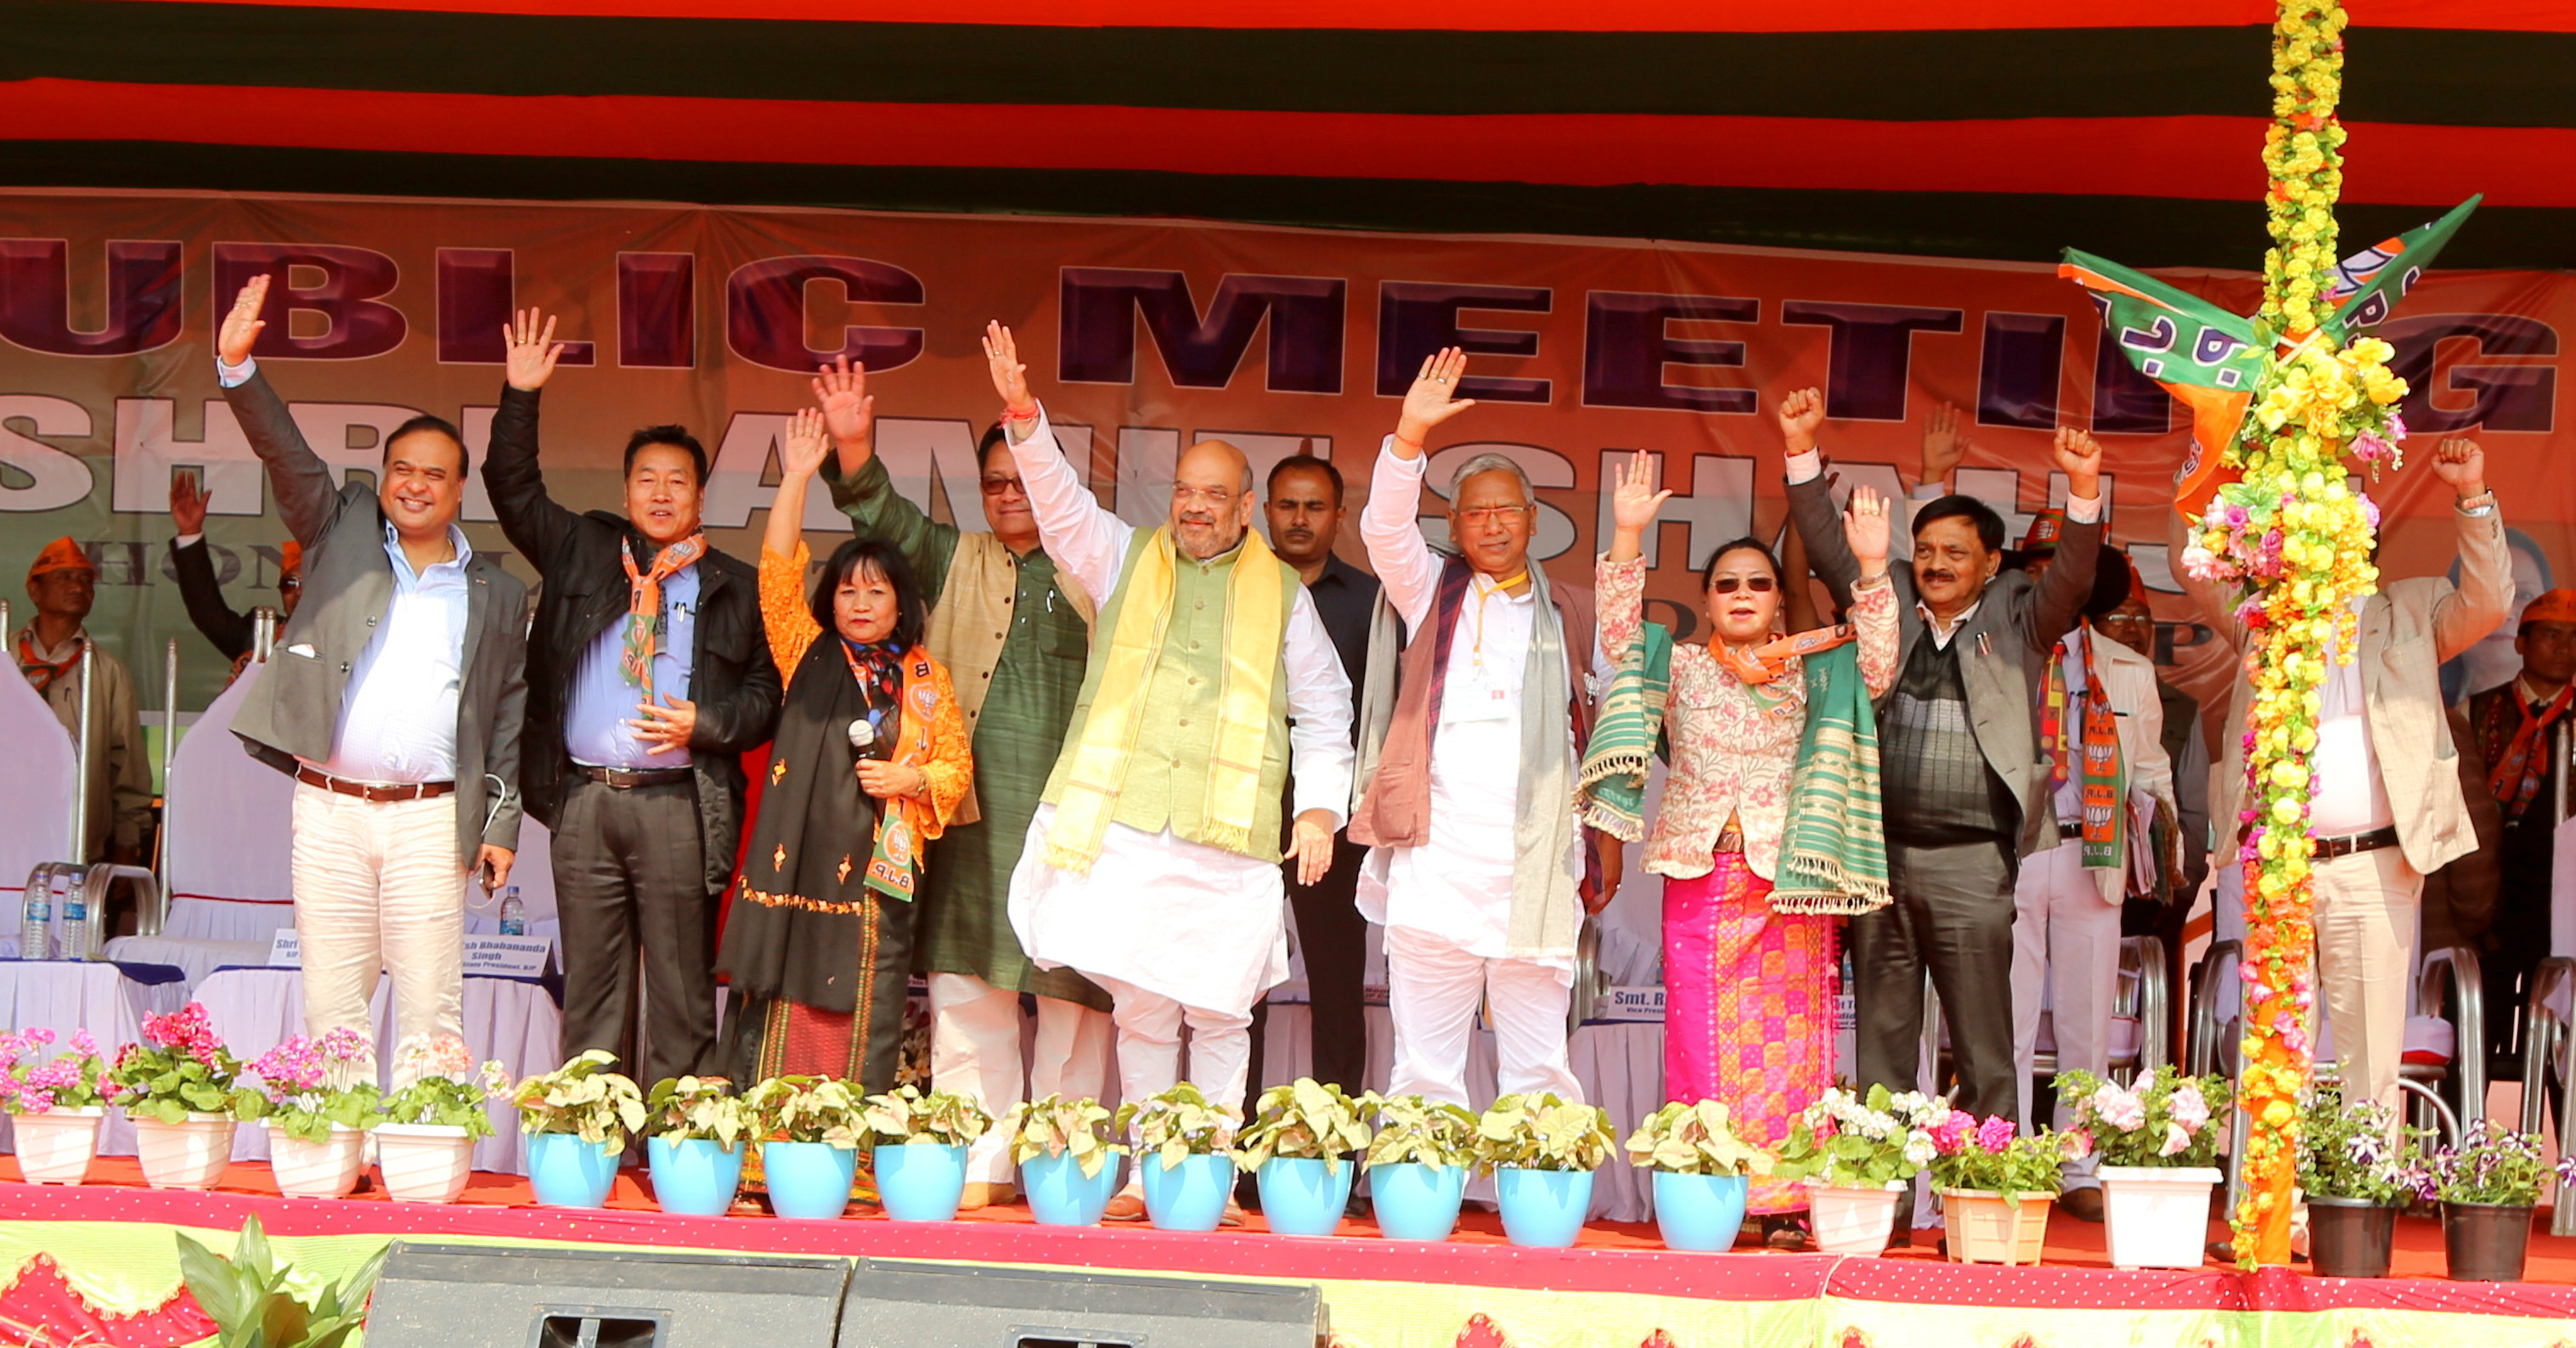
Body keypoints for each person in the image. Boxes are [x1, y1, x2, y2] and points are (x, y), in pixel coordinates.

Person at [987, 323, 1354, 1223]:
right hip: (1126, 824)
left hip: (1227, 839)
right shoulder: (1122, 556)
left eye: (1214, 495)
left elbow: (1326, 708)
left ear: (1243, 507)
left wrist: (1317, 813)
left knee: (1222, 1012)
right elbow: (1062, 504)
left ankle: (1210, 1175)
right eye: (1185, 491)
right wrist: (1025, 417)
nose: (1194, 507)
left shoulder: (1287, 596)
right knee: (1145, 1011)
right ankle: (1155, 1173)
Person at [1781, 386, 2105, 1226]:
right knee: (1884, 1046)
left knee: (1985, 1047)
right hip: (1878, 858)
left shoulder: (2018, 616)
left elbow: (2073, 573)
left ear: (1989, 563)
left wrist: (2083, 490)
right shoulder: (1884, 600)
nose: (1934, 562)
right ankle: (1876, 1214)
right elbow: (1825, 546)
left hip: (1971, 864)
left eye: (1954, 551)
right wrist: (1801, 451)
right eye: (1924, 548)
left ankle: (1989, 1209)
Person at [811, 356, 1110, 1210]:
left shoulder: (1099, 569)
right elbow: (881, 512)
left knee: (1069, 1004)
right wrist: (854, 442)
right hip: (970, 818)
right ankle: (979, 1164)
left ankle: (1060, 1167)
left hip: (1070, 826)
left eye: (1025, 479)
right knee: (968, 993)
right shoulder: (954, 557)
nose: (1009, 493)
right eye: (994, 481)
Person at [214, 274, 528, 1086]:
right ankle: (333, 1157)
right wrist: (239, 368)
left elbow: (506, 714)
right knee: (333, 1000)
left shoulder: (494, 592)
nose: (413, 484)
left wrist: (501, 824)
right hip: (329, 809)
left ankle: (424, 1167)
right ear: (383, 476)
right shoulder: (340, 524)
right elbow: (285, 456)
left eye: (433, 474)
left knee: (430, 1005)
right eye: (401, 469)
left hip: (432, 818)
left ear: (460, 490)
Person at [1595, 452, 1900, 1246]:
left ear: (1776, 601)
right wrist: (1627, 536)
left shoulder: (1811, 670)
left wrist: (1871, 567)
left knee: (1792, 1040)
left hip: (1786, 878)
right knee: (1699, 1037)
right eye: (1726, 584)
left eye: (1757, 584)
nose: (1740, 595)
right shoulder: (1683, 667)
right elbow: (1620, 637)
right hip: (1700, 871)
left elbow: (1876, 664)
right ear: (1705, 599)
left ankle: (1783, 1204)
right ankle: (1706, 1194)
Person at [481, 309, 782, 1086]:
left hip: (679, 801)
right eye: (645, 478)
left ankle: (678, 1148)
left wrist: (705, 721)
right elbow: (511, 488)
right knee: (592, 986)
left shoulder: (734, 588)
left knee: (682, 991)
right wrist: (520, 395)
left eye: (676, 480)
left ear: (700, 495)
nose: (659, 492)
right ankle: (592, 1138)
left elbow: (766, 699)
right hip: (583, 798)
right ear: (624, 488)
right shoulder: (584, 547)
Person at [2172, 436, 2510, 1118]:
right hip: (2277, 866)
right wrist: (2198, 470)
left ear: (2363, 551)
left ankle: (2358, 1216)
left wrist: (2470, 495)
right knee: (2271, 1059)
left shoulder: (2408, 612)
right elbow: (2195, 567)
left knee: (2368, 1062)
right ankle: (2272, 1218)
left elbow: (2489, 601)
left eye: (2335, 532)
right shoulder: (2262, 621)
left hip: (2372, 866)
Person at [1350, 347, 1617, 1115]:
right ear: (1455, 525)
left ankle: (1535, 1215)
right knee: (1425, 1067)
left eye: (1508, 510)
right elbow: (1383, 525)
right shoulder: (1428, 586)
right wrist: (1408, 436)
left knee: (1538, 1067)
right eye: (1475, 510)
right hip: (1437, 863)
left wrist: (1605, 842)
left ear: (1535, 521)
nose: (1493, 523)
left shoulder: (1572, 611)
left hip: (1534, 871)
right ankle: (1423, 1210)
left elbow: (1614, 725)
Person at [716, 408, 972, 1093]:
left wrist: (908, 776)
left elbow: (955, 771)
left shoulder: (926, 677)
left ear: (900, 603)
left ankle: (849, 1160)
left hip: (877, 882)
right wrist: (797, 475)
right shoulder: (806, 653)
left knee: (863, 1010)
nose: (860, 602)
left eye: (877, 590)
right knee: (780, 1005)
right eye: (848, 589)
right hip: (794, 871)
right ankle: (760, 1153)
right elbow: (776, 572)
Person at [2006, 540, 2176, 1221]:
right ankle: (2007, 1156)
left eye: (2067, 578)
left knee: (2087, 1022)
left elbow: (2152, 763)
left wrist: (2163, 844)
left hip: (2093, 850)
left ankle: (2079, 1164)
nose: (2055, 588)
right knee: (2008, 1019)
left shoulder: (2128, 670)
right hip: (2012, 850)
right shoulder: (1999, 654)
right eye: (2042, 578)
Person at [1243, 453, 1380, 1111]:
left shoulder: (1372, 602)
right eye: (1287, 505)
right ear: (1264, 510)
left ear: (1339, 516)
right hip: (1239, 811)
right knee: (1240, 986)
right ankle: (1231, 1145)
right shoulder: (1234, 590)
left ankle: (1334, 1146)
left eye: (1314, 506)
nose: (1299, 519)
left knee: (1335, 983)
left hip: (1332, 822)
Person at [2094, 560, 2212, 1056]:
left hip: (2151, 894)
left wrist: (2175, 881)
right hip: (2080, 875)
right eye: (2120, 617)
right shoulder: (2062, 683)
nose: (2135, 629)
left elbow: (2191, 807)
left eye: (2142, 617)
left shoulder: (2181, 706)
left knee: (2150, 1023)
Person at [2460, 588, 2576, 1075]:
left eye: (2575, 638)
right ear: (2521, 643)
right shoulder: (2473, 710)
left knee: (2561, 1043)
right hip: (2486, 901)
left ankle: (2566, 1149)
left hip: (2563, 905)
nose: (2565, 647)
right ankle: (2457, 1147)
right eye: (2551, 635)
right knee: (2472, 1034)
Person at [16, 539, 152, 868]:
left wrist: (126, 843)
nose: (78, 586)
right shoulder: (6, 660)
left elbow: (128, 765)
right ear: (35, 590)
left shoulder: (108, 671)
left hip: (77, 843)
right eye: (64, 577)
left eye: (86, 580)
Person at [170, 473, 302, 678]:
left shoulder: (342, 639)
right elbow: (207, 612)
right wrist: (190, 532)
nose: (298, 592)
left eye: (308, 583)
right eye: (289, 584)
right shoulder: (260, 634)